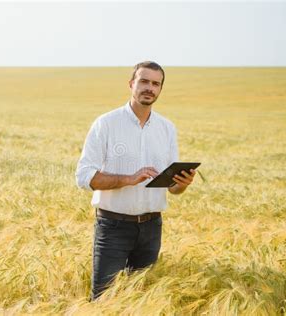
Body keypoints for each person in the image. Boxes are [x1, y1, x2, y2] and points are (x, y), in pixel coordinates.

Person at [75, 61, 197, 301]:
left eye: (155, 83)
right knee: (102, 299)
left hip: (152, 228)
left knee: (141, 300)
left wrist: (182, 183)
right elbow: (84, 176)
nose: (149, 88)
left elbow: (172, 188)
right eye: (144, 81)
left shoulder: (167, 128)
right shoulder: (106, 124)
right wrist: (127, 179)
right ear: (132, 84)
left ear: (160, 89)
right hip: (113, 228)